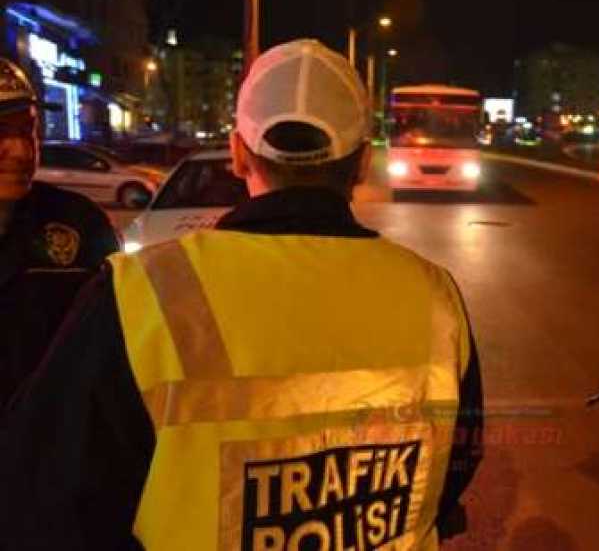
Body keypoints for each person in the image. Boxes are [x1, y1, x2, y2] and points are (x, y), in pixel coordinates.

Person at [8, 39, 483, 550]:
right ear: (364, 162)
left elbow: (44, 498)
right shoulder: (435, 296)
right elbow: (456, 462)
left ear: (238, 154)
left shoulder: (143, 292)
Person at [0, 56, 118, 407]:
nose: (22, 150)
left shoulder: (79, 222)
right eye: (1, 132)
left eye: (28, 129)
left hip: (52, 447)